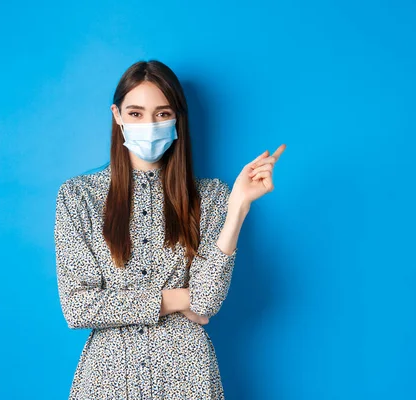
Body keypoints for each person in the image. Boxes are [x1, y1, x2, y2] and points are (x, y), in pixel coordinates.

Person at [54, 59, 286, 399]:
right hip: (108, 380)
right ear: (117, 115)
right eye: (135, 113)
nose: (149, 124)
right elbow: (79, 308)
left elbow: (206, 301)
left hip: (187, 377)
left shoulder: (211, 197)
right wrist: (176, 298)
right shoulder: (79, 197)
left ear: (178, 118)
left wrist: (237, 208)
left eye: (162, 114)